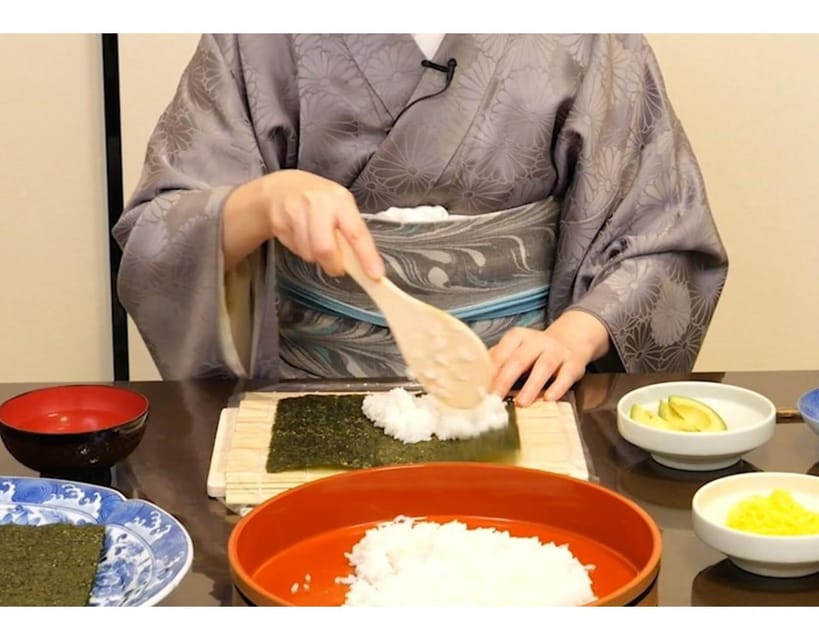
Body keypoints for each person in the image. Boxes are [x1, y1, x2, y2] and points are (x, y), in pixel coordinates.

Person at [113, 34, 729, 408]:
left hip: (515, 391)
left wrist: (575, 337)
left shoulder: (590, 30)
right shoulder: (258, 29)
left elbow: (664, 235)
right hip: (305, 393)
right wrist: (264, 201)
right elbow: (157, 233)